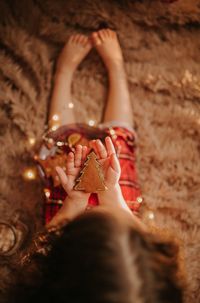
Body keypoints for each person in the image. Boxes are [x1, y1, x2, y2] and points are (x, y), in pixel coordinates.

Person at [9, 29, 183, 303]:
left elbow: (39, 253)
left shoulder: (51, 263)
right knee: (120, 145)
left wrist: (73, 206)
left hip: (64, 224)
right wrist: (114, 198)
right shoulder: (146, 278)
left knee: (62, 144)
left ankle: (63, 76)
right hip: (111, 206)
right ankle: (116, 69)